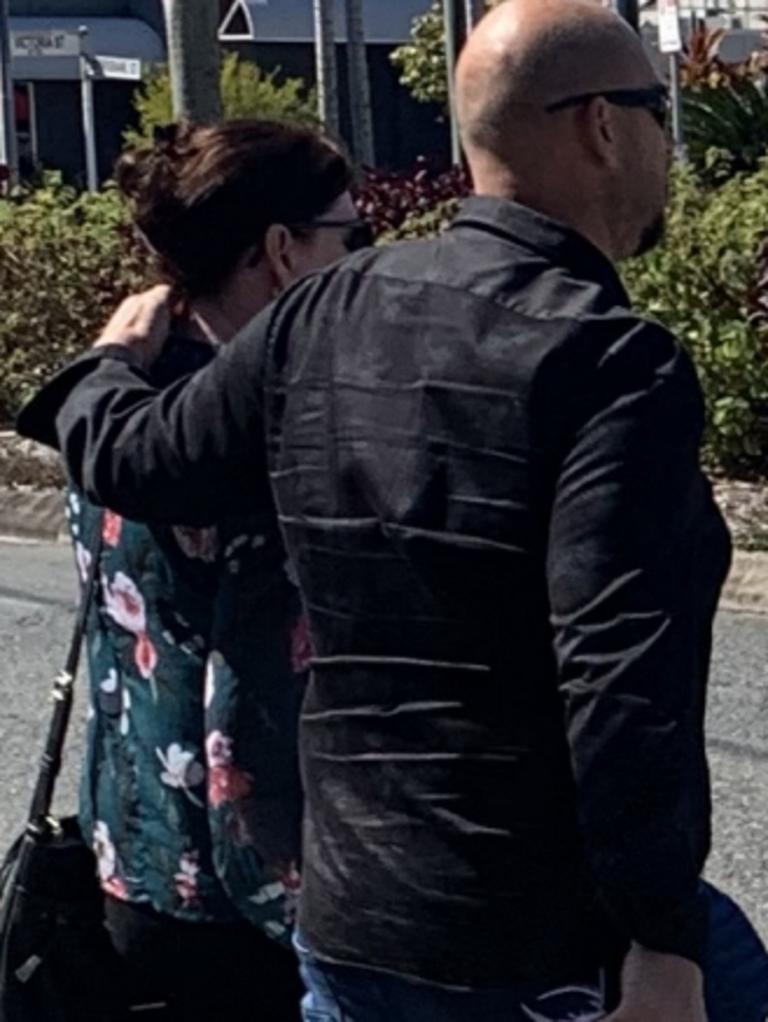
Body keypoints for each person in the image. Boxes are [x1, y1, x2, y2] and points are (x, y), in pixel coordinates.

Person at [16, 2, 741, 1019]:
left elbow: (145, 460)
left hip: (351, 917)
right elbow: (620, 682)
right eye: (655, 111)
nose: (667, 139)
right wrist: (661, 937)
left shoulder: (326, 306)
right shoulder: (612, 362)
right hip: (531, 933)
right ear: (601, 127)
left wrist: (103, 369)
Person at [22, 120, 365, 1022]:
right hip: (249, 886)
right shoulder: (252, 431)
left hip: (132, 852)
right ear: (283, 252)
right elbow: (248, 696)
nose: (366, 259)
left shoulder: (116, 400)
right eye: (351, 235)